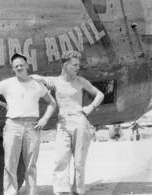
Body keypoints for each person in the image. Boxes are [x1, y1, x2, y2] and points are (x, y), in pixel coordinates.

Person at [30, 51, 104, 195]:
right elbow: (33, 77)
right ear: (65, 65)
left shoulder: (80, 81)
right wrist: (45, 81)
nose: (78, 67)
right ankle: (61, 191)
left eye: (78, 65)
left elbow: (100, 94)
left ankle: (78, 191)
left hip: (80, 121)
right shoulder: (56, 81)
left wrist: (90, 107)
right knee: (61, 160)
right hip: (62, 122)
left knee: (79, 162)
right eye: (75, 65)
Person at [0, 52, 57, 195]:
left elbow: (52, 103)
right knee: (10, 164)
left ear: (27, 65)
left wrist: (45, 119)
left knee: (31, 165)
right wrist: (3, 105)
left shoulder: (37, 84)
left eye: (21, 65)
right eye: (16, 66)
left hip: (32, 126)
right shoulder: (7, 83)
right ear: (12, 68)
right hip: (13, 126)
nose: (19, 68)